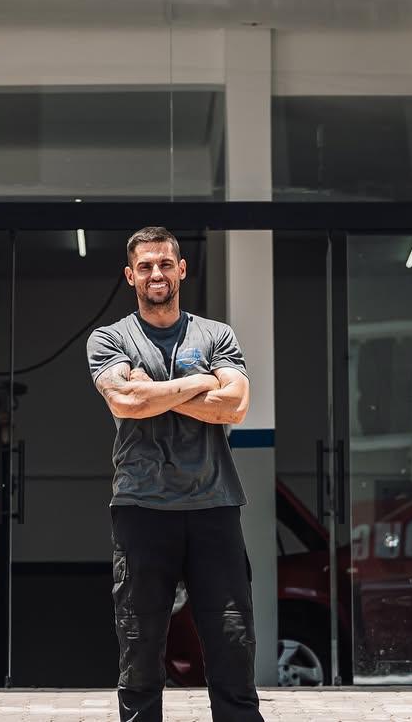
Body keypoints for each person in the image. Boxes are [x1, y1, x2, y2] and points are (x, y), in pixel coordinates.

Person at [87, 226, 264, 722]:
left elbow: (235, 406)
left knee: (232, 640)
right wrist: (202, 382)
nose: (156, 274)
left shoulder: (216, 334)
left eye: (165, 263)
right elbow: (125, 401)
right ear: (130, 276)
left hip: (214, 506)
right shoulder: (110, 338)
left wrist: (155, 392)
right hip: (142, 508)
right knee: (140, 642)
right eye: (145, 266)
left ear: (182, 269)